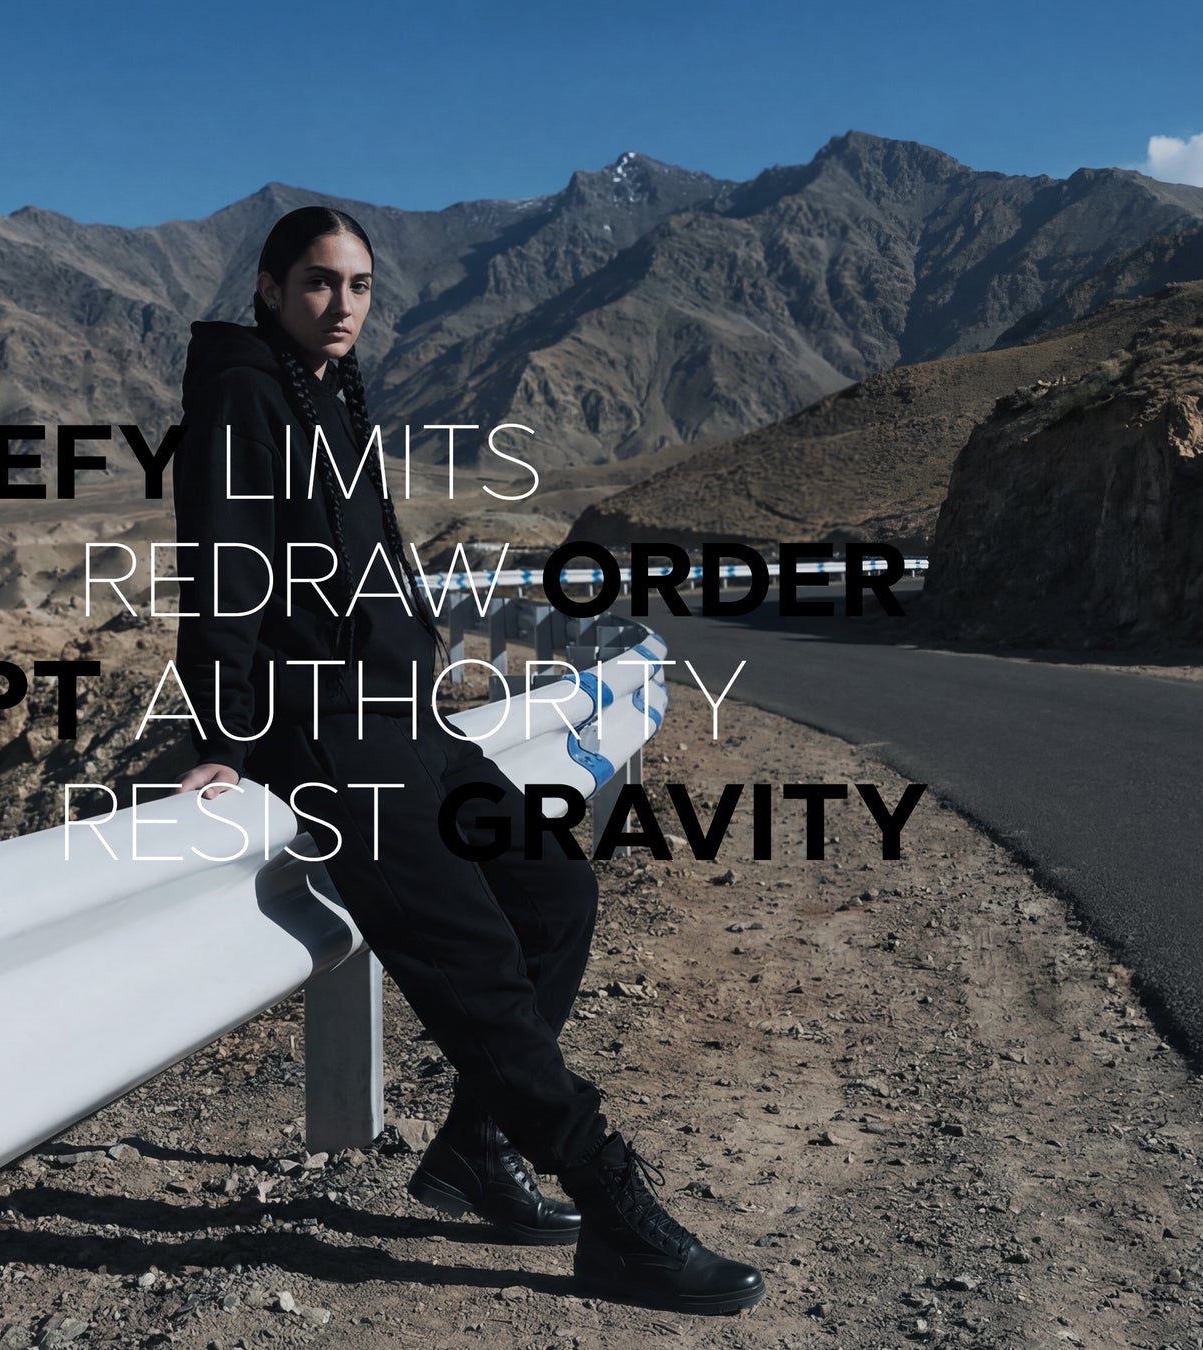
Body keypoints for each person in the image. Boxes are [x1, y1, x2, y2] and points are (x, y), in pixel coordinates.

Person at [168, 205, 765, 1316]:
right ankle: (611, 1203)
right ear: (268, 288)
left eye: (358, 286)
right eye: (318, 283)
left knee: (554, 893)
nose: (341, 305)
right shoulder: (245, 395)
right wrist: (222, 737)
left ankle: (474, 1149)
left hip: (411, 722)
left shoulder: (329, 391)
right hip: (333, 740)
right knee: (477, 958)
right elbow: (225, 565)